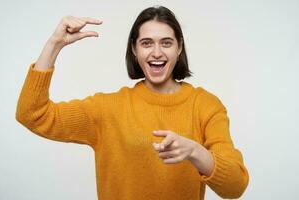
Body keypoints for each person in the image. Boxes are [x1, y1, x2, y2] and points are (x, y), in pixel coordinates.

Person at [16, 5, 249, 200]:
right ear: (134, 50)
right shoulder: (108, 109)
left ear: (179, 48)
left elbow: (235, 186)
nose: (156, 52)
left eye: (166, 43)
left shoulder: (206, 105)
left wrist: (195, 152)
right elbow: (32, 114)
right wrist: (54, 44)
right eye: (147, 43)